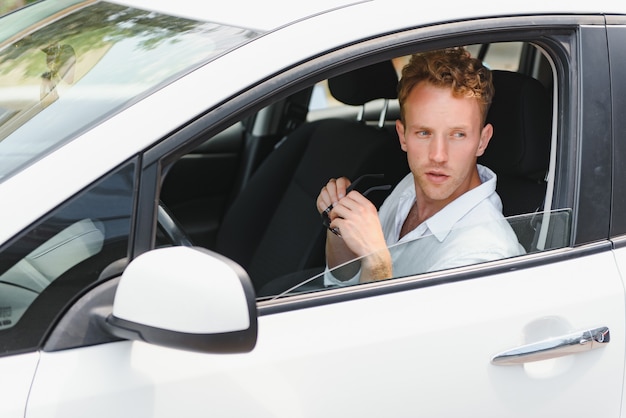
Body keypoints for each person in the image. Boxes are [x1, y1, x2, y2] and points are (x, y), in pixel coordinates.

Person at [317, 47, 525, 286]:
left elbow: (389, 324)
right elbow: (343, 284)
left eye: (458, 134)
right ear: (403, 136)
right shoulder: (414, 184)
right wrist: (340, 224)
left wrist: (378, 264)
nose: (438, 156)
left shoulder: (482, 257)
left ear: (482, 141)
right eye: (424, 133)